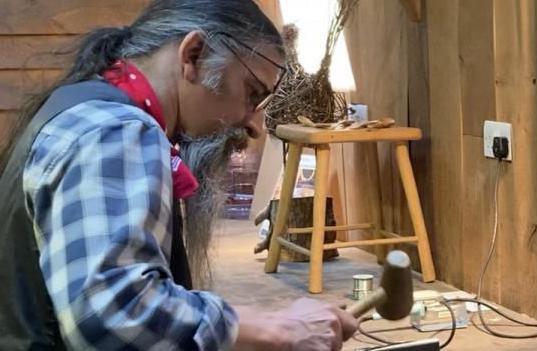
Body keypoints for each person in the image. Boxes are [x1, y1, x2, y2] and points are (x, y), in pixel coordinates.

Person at [0, 1, 357, 350]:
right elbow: (113, 315)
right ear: (194, 55)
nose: (254, 125)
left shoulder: (79, 109)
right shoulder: (116, 131)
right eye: (252, 94)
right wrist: (278, 330)